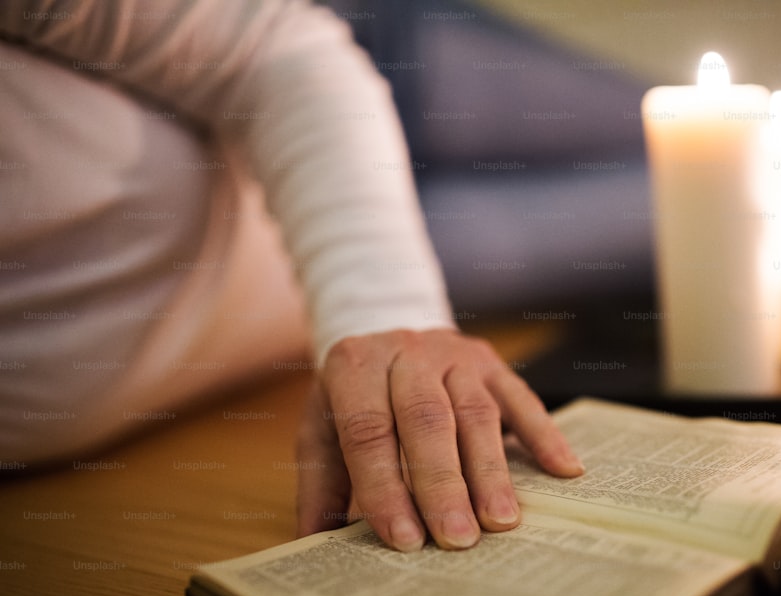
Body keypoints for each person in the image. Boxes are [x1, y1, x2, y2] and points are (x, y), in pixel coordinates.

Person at [0, 0, 584, 552]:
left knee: (661, 124)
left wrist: (389, 319)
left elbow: (271, 49)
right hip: (433, 252)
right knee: (663, 222)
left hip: (374, 101)